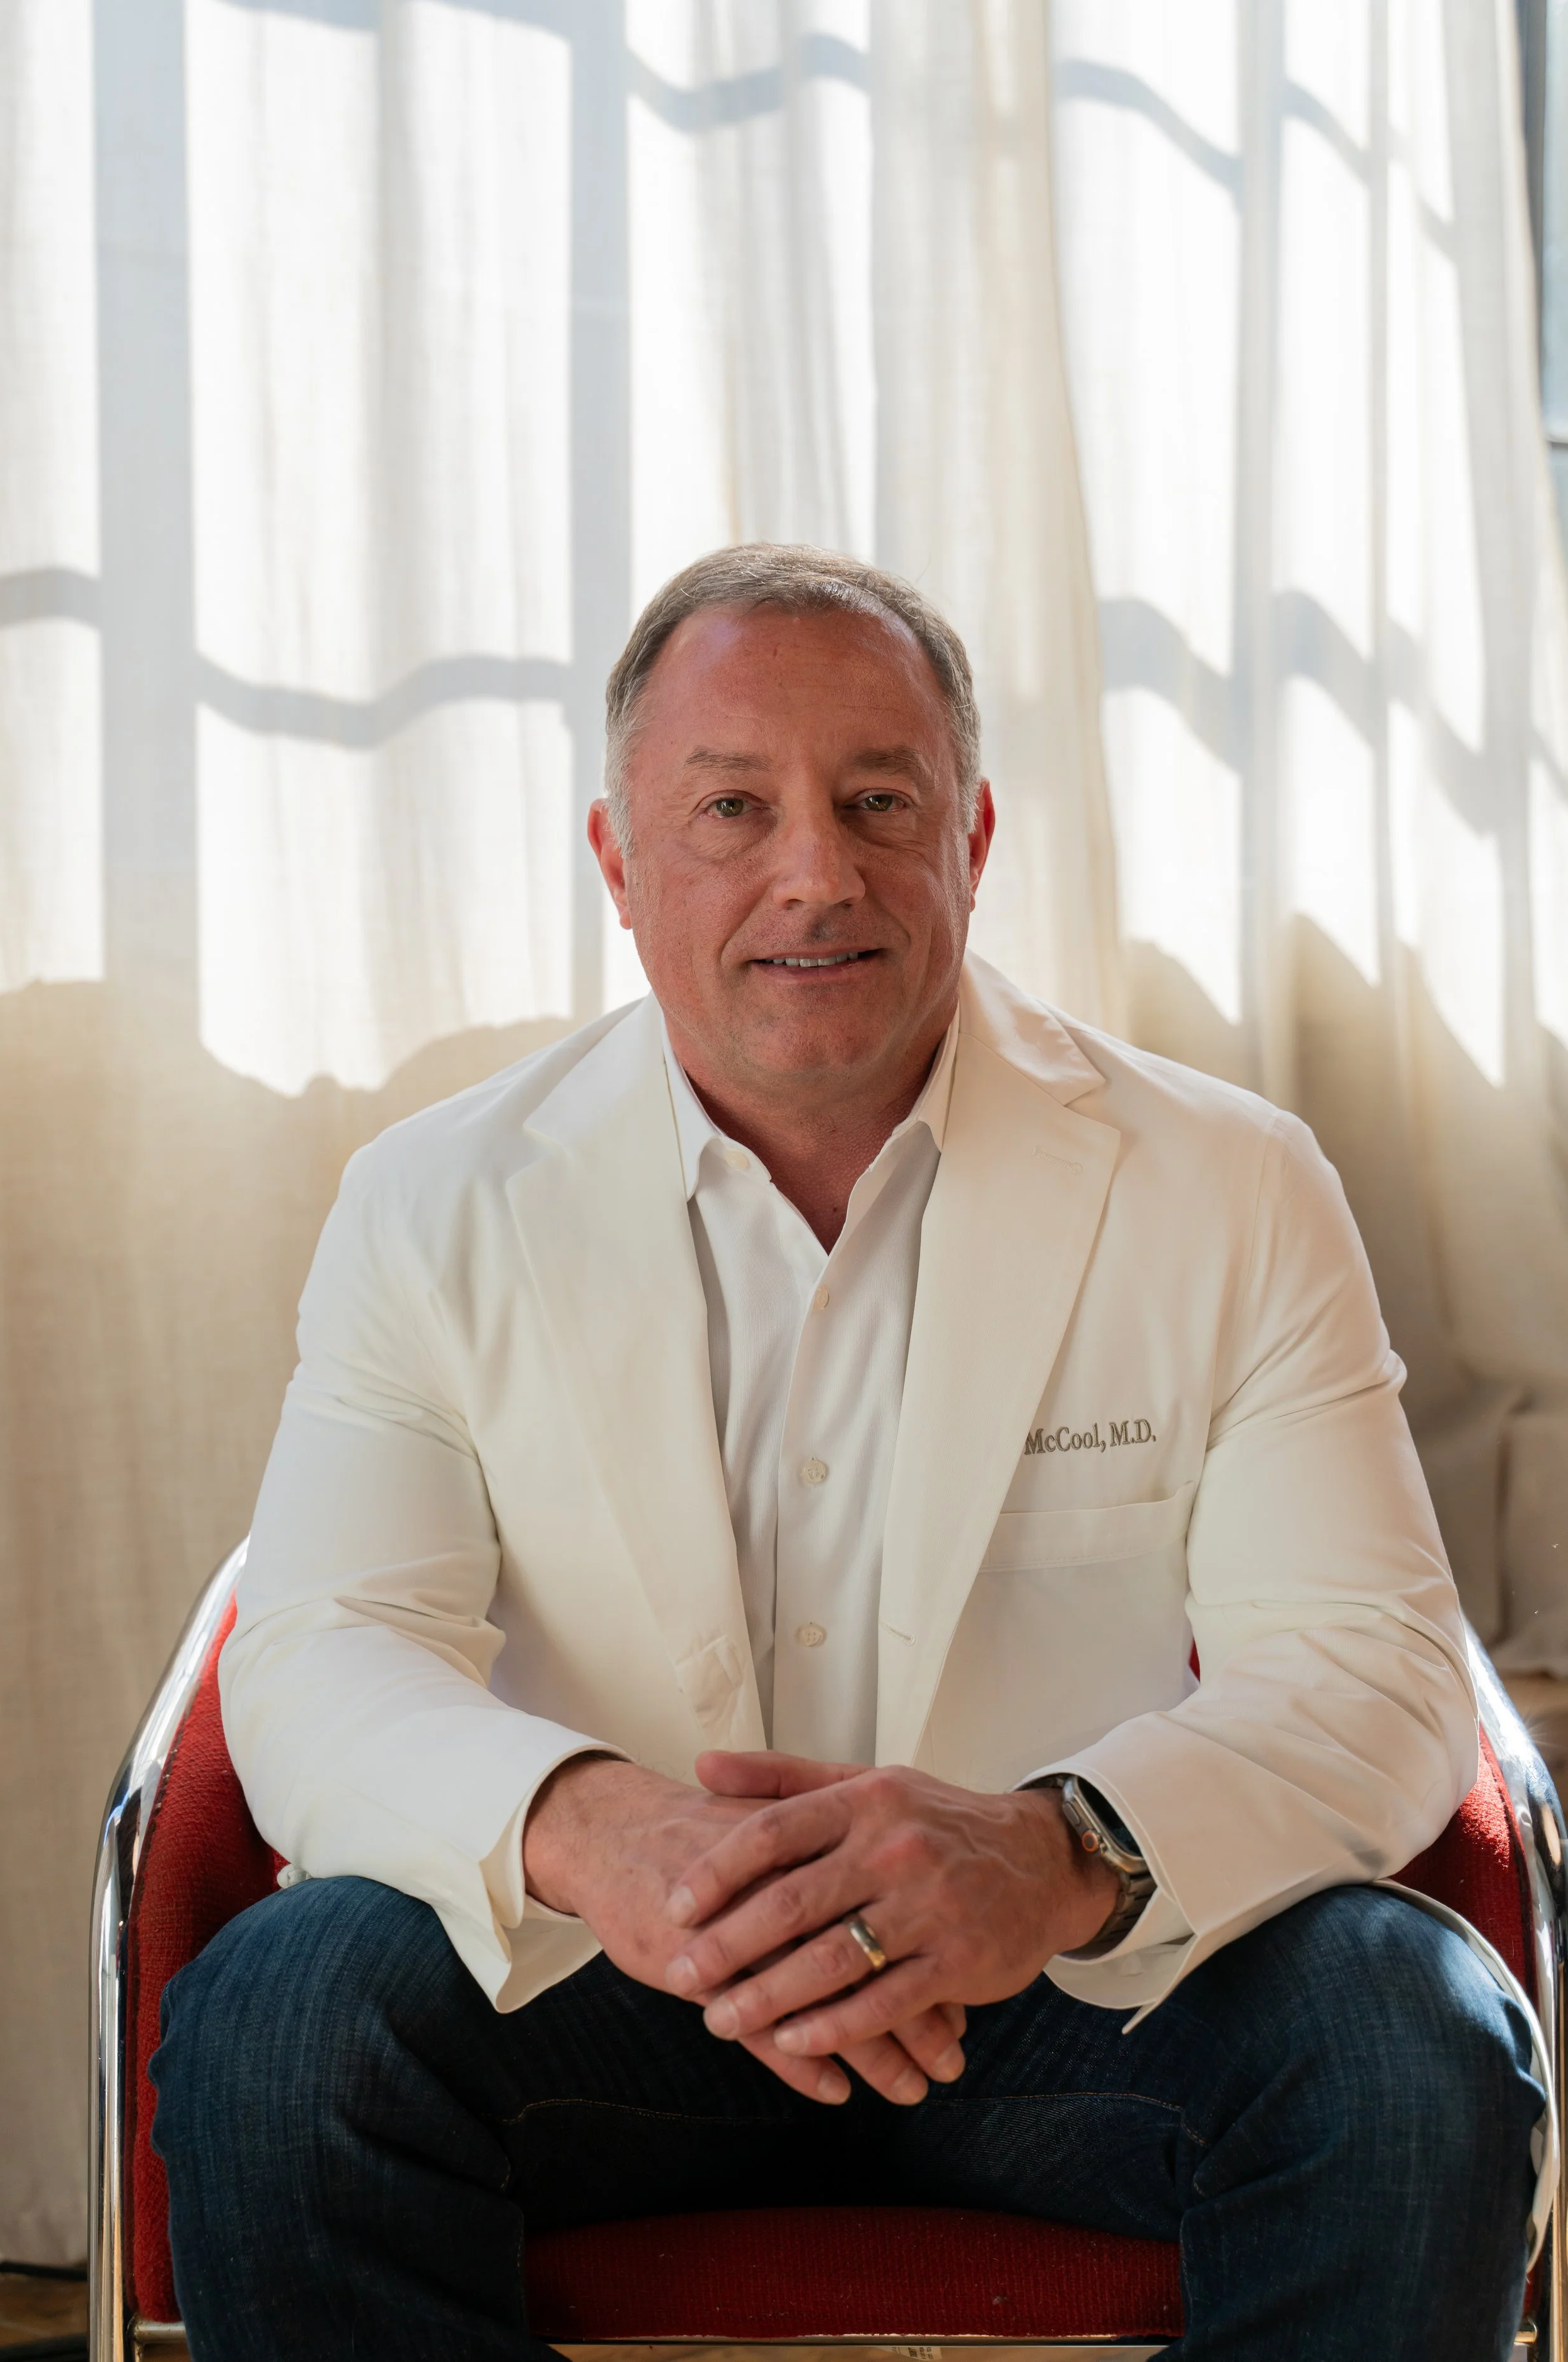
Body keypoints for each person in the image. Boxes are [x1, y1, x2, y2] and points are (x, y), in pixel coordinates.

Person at [151, 544, 1542, 2360]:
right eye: (730, 807)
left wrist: (1050, 1853)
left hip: (1075, 1984)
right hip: (615, 1979)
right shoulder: (434, 1202)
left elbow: (1368, 1666)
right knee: (283, 2016)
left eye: (877, 801)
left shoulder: (1229, 1181)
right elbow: (326, 1654)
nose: (814, 869)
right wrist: (606, 1834)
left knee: (1406, 2026)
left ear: (967, 843)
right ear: (618, 865)